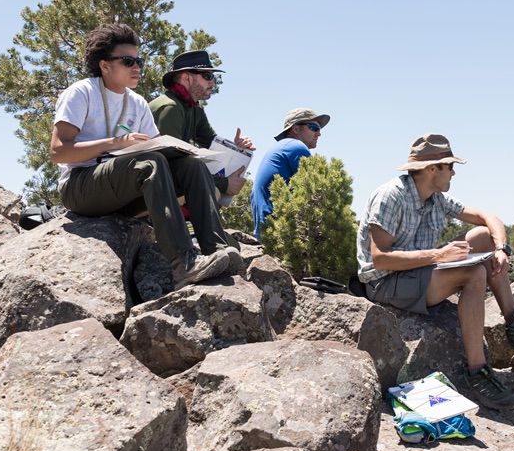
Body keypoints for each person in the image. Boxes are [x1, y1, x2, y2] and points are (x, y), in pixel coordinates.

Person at [356, 133, 514, 410]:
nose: (453, 172)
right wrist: (440, 255)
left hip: (420, 271)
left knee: (483, 236)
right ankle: (478, 373)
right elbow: (380, 259)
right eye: (449, 166)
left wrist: (501, 249)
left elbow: (490, 219)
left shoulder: (436, 198)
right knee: (475, 273)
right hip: (386, 282)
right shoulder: (391, 196)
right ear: (432, 169)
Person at [50, 24, 241, 289]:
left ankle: (217, 250)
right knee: (149, 163)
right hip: (81, 186)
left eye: (139, 60)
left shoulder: (137, 103)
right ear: (105, 66)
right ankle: (184, 264)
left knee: (191, 166)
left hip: (122, 192)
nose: (137, 67)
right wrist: (114, 143)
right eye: (128, 61)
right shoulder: (82, 92)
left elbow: (157, 148)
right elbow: (59, 152)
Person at [149, 50, 254, 202]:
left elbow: (212, 142)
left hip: (164, 185)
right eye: (207, 76)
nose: (212, 82)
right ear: (186, 78)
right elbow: (171, 166)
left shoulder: (194, 109)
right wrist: (223, 184)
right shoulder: (170, 108)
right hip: (149, 188)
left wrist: (237, 147)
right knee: (212, 191)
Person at [250, 108, 329, 240]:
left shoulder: (282, 147)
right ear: (296, 129)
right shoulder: (295, 146)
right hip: (282, 235)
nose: (318, 134)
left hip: (267, 232)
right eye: (313, 127)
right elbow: (318, 192)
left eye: (319, 129)